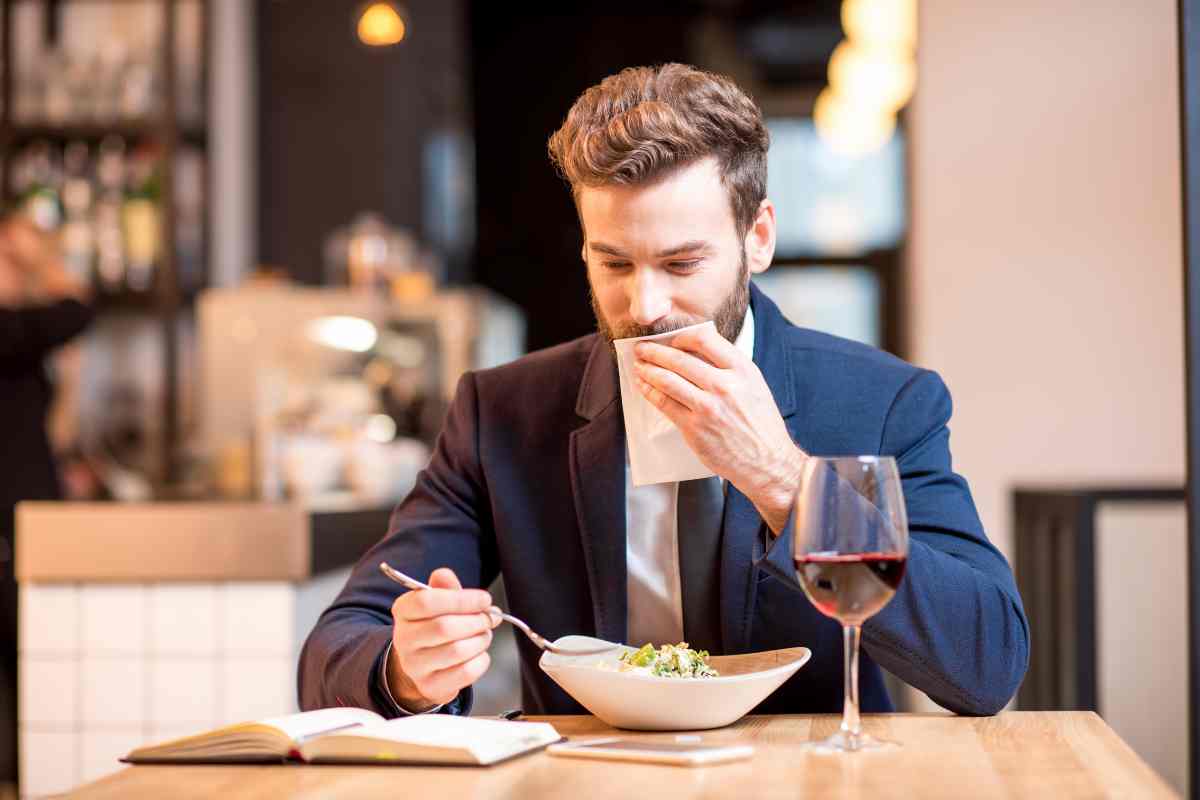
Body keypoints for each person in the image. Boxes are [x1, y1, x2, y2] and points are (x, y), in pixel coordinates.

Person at [299, 64, 1029, 718]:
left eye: (681, 263)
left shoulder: (883, 401)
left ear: (759, 238)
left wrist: (784, 481)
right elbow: (335, 649)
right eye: (613, 263)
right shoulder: (505, 413)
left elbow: (987, 663)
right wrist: (406, 669)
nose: (644, 307)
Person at [0, 213, 94, 782]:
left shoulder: (16, 337)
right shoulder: (9, 331)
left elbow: (48, 423)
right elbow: (77, 308)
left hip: (27, 519)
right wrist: (42, 263)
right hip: (13, 526)